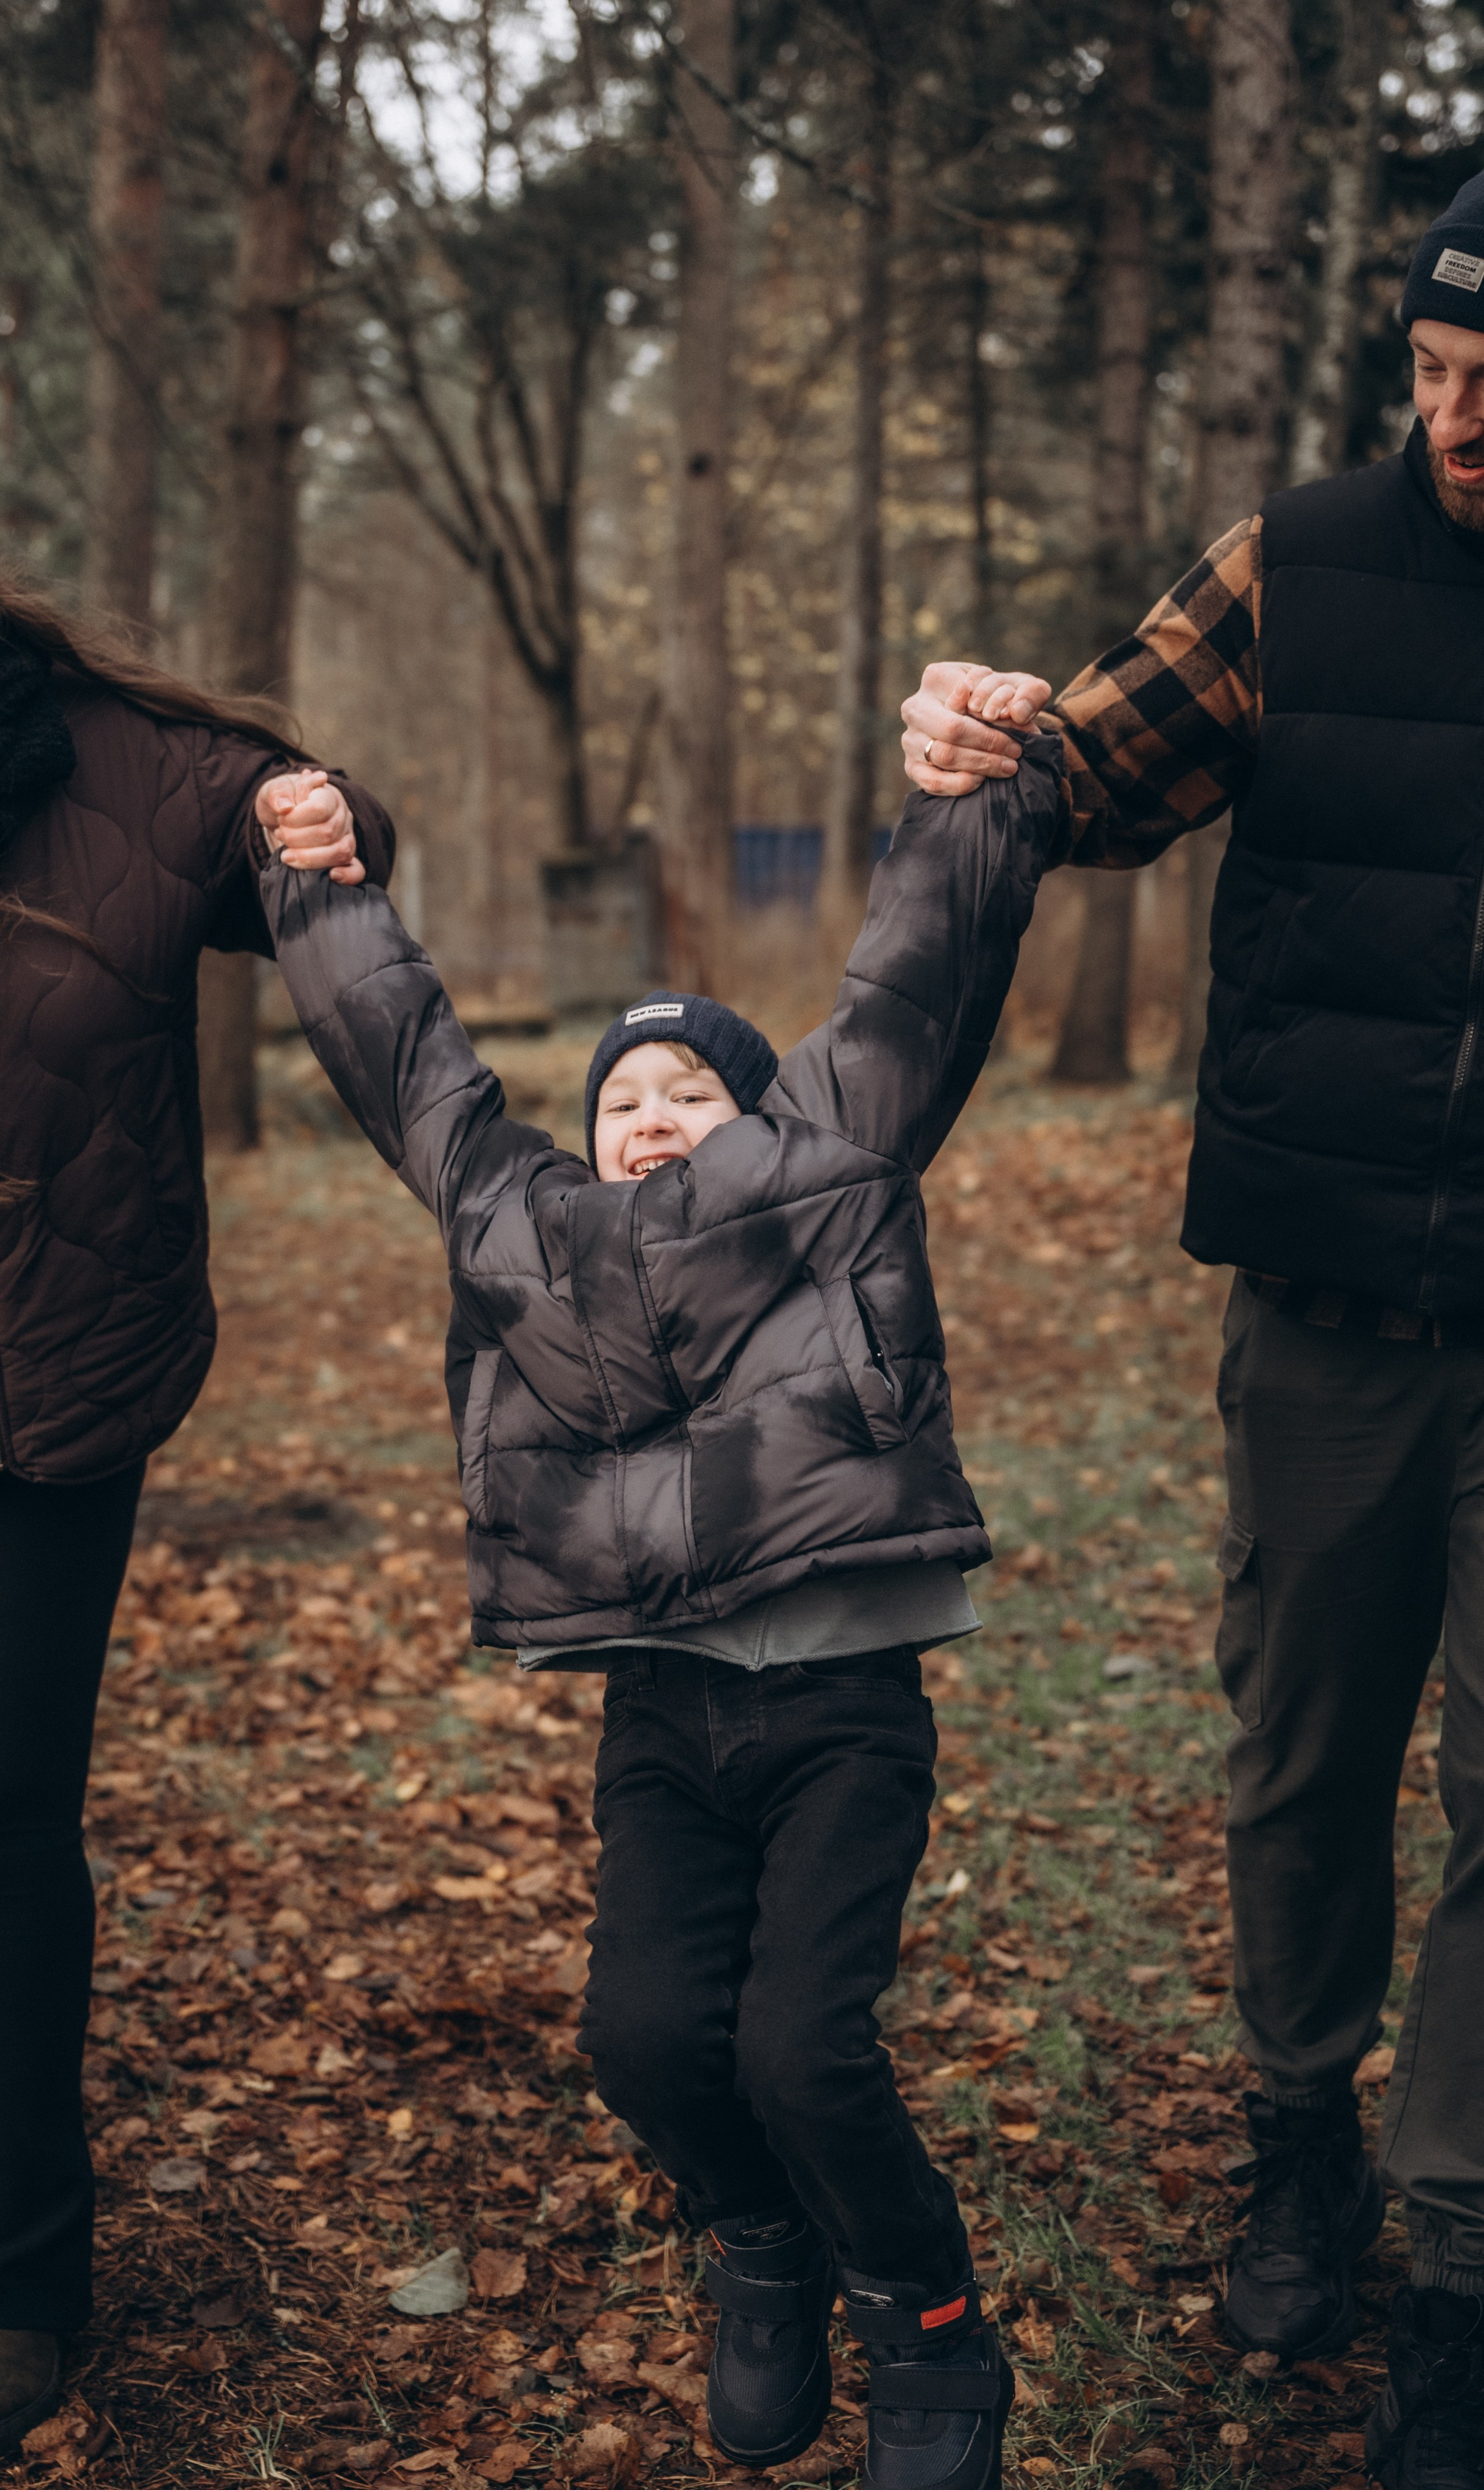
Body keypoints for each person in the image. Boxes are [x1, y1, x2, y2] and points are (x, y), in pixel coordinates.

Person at [261, 731, 1062, 2490]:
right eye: (625, 1092)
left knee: (801, 2042)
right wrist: (321, 888)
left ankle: (928, 2320)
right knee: (639, 2036)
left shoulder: (826, 1168)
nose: (649, 1112)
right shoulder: (528, 1231)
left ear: (760, 1116)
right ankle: (759, 2240)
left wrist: (975, 797)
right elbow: (415, 1069)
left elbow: (910, 982)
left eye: (690, 1091)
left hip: (842, 1695)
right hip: (664, 1716)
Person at [896, 169, 1484, 2490]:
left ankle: (1455, 2254)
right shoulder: (1297, 567)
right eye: (1436, 378)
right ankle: (1299, 2133)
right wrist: (981, 732)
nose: (1458, 425)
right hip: (1331, 1299)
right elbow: (1088, 772)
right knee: (1304, 1766)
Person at [0, 441, 390, 2474]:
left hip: (33, 1390)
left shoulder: (97, 755)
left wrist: (326, 823)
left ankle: (3, 2279)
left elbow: (298, 839)